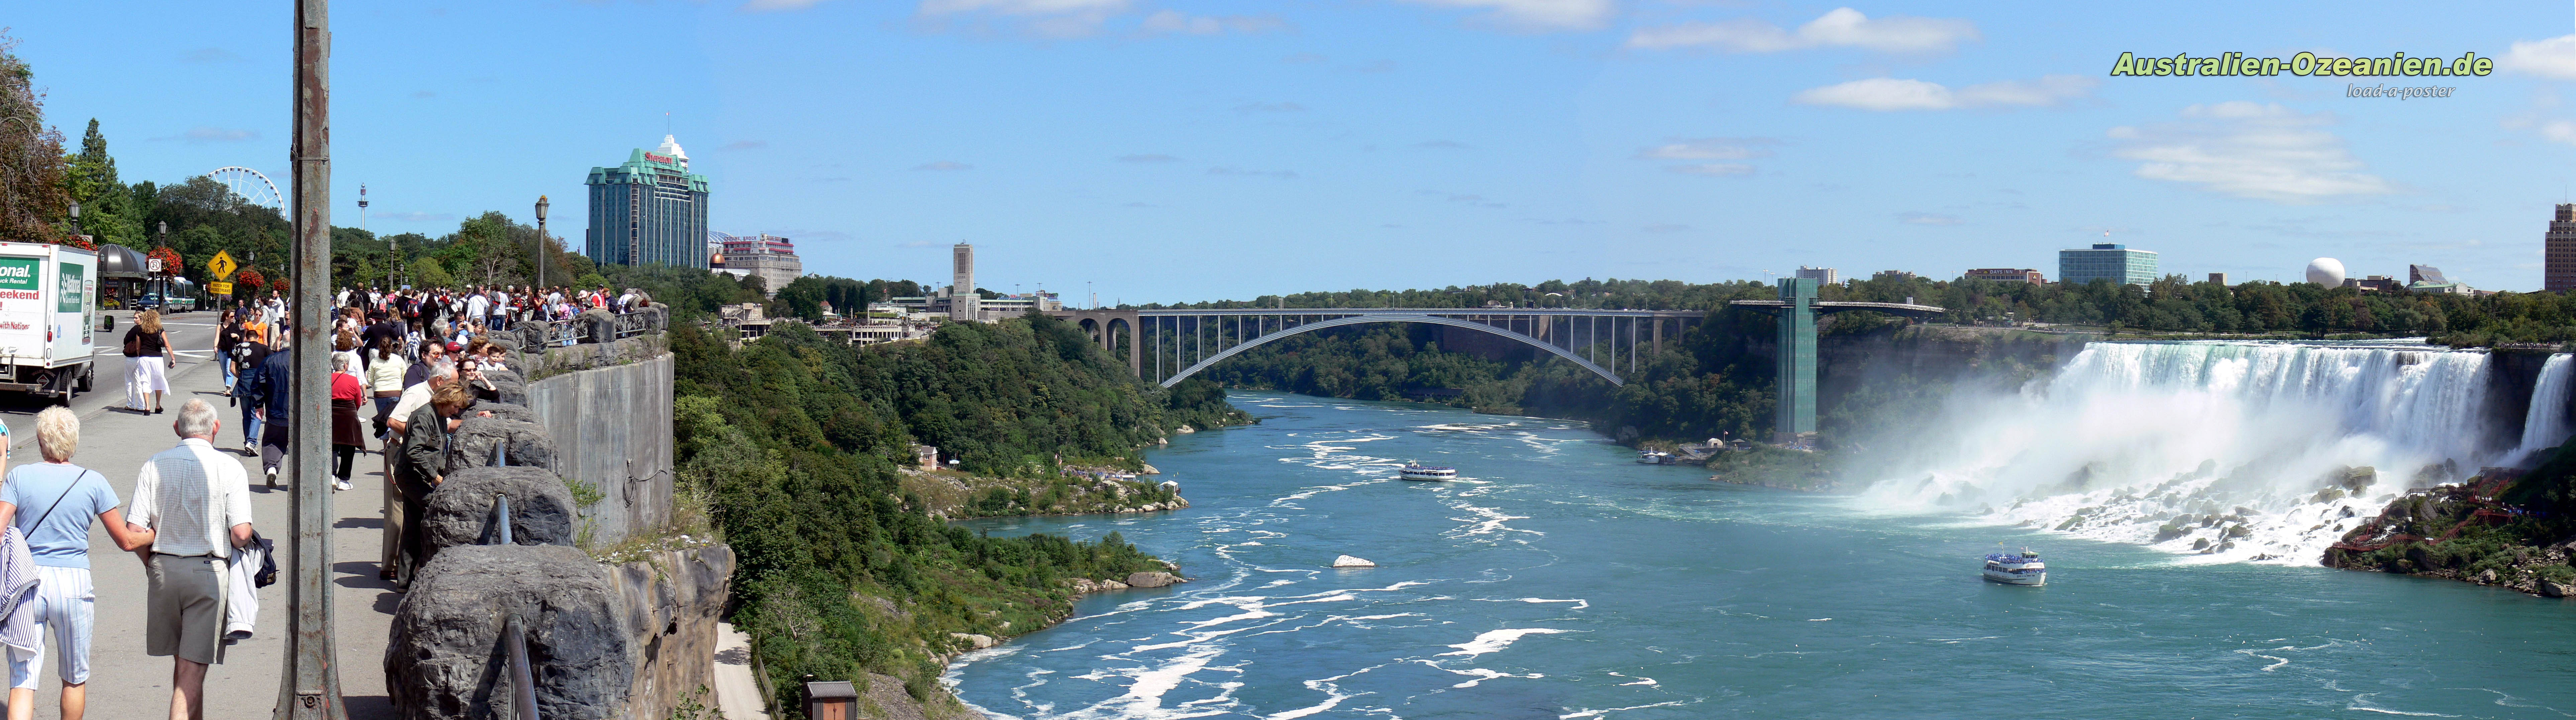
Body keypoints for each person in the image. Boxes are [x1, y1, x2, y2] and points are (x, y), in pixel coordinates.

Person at [0, 408, 156, 720]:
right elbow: (126, 541)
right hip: (74, 583)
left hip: (28, 582)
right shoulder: (93, 482)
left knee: (23, 680)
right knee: (74, 677)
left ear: (42, 440)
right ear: (74, 441)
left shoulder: (19, 476)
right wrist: (153, 535)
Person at [126, 400, 253, 720]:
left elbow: (134, 529)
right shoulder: (230, 467)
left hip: (164, 569)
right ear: (216, 427)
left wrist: (152, 562)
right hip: (207, 571)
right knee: (193, 670)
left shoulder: (154, 464)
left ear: (177, 429)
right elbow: (240, 534)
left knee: (183, 664)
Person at [392, 383, 473, 585]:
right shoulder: (425, 416)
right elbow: (414, 452)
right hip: (412, 477)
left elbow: (436, 452)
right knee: (437, 511)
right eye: (455, 407)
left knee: (412, 526)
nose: (457, 412)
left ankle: (406, 581)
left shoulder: (438, 417)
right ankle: (426, 572)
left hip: (419, 476)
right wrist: (434, 477)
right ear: (445, 401)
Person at [250, 331, 295, 488]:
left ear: (281, 344)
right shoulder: (304, 361)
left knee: (272, 441)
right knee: (303, 445)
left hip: (276, 410)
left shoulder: (270, 361)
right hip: (301, 413)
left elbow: (258, 384)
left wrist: (258, 405)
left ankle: (271, 469)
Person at [124, 310, 174, 414]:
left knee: (145, 381)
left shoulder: (141, 330)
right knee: (158, 379)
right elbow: (167, 345)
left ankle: (147, 407)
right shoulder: (159, 329)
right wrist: (173, 358)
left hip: (144, 358)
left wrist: (140, 355)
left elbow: (138, 347)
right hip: (157, 358)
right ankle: (158, 405)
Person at [330, 354, 365, 492]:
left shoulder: (327, 379)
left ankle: (331, 475)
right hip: (349, 415)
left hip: (331, 414)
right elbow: (358, 401)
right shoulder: (353, 380)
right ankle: (344, 480)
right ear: (345, 365)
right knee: (349, 447)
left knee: (332, 446)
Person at [365, 335, 409, 440]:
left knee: (383, 421)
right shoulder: (398, 360)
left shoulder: (375, 362)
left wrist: (377, 386)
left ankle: (385, 447)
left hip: (380, 394)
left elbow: (370, 379)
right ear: (392, 346)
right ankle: (394, 444)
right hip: (396, 393)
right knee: (395, 420)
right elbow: (405, 376)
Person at [213, 310, 241, 394]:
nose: (234, 318)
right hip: (222, 351)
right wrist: (215, 346)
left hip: (231, 351)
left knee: (229, 370)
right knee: (224, 370)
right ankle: (227, 386)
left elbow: (240, 339)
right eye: (232, 317)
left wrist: (237, 336)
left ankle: (228, 389)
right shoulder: (220, 326)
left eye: (234, 317)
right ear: (226, 317)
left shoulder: (235, 326)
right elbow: (217, 337)